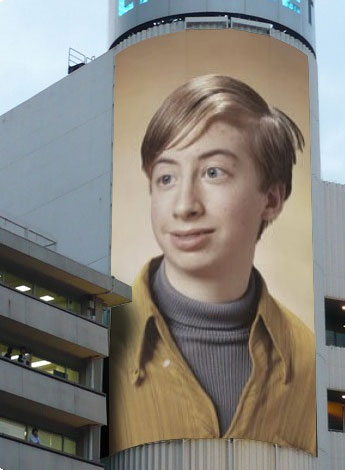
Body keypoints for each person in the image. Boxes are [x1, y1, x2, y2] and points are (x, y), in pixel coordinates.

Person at [110, 75, 316, 455]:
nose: (184, 205)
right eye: (166, 178)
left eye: (213, 172)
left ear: (271, 199)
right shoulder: (103, 336)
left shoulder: (308, 360)